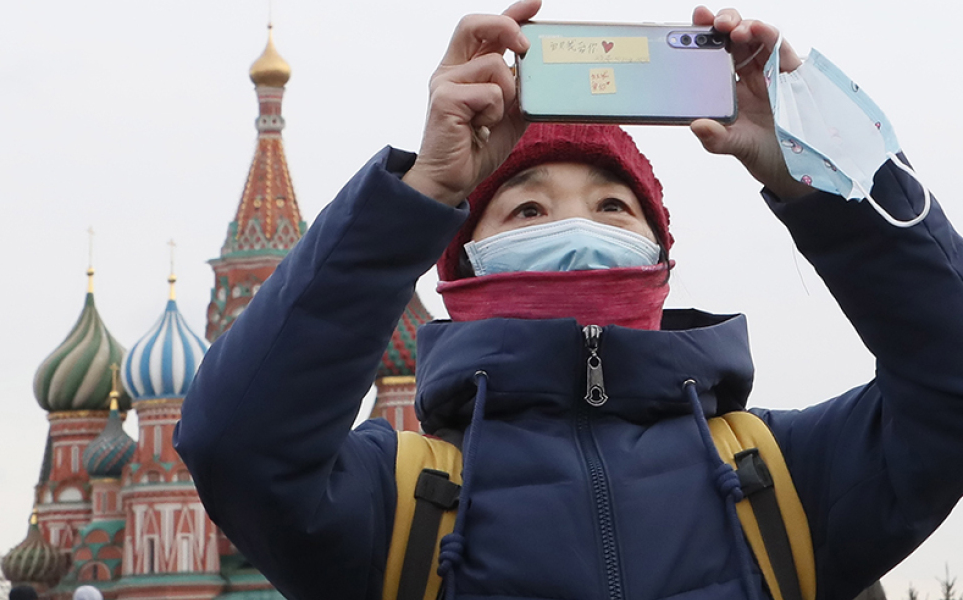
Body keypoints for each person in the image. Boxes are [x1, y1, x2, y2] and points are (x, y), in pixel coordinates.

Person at [175, 2, 963, 600]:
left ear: (660, 258)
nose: (577, 226)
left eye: (614, 207)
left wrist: (816, 165)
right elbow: (238, 450)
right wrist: (422, 190)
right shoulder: (401, 503)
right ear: (463, 263)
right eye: (527, 209)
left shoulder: (780, 480)